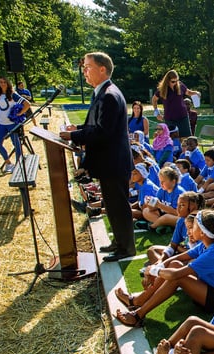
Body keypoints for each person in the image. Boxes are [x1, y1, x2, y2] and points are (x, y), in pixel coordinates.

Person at [60, 52, 135, 262]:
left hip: (113, 161)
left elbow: (104, 132)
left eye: (88, 67)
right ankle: (119, 242)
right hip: (108, 162)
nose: (84, 71)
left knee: (118, 206)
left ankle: (126, 248)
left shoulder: (109, 95)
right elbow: (96, 125)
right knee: (111, 205)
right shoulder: (101, 93)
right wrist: (79, 129)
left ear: (102, 69)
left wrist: (74, 135)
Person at [115, 210, 214, 327]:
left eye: (194, 225)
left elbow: (175, 275)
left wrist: (152, 271)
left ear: (202, 232)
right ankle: (138, 301)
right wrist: (158, 266)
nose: (189, 228)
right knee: (174, 264)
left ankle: (138, 315)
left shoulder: (213, 252)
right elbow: (179, 258)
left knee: (177, 278)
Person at [146, 191, 205, 264]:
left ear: (193, 206)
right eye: (178, 205)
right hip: (184, 254)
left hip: (197, 258)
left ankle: (162, 269)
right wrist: (161, 260)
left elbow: (199, 252)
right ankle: (161, 267)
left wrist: (179, 249)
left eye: (182, 205)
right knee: (152, 250)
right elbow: (173, 244)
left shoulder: (202, 223)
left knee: (189, 262)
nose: (178, 209)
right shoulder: (181, 221)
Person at [151, 70, 200, 138]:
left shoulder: (180, 85)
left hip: (183, 116)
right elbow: (154, 100)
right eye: (173, 81)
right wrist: (156, 112)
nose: (175, 83)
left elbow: (188, 92)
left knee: (186, 138)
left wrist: (196, 93)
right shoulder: (161, 89)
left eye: (177, 80)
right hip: (170, 118)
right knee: (171, 139)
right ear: (167, 80)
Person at [0, 76, 31, 173]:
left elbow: (27, 104)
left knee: (16, 144)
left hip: (12, 124)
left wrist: (20, 113)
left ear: (8, 83)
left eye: (4, 82)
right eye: (0, 82)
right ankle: (8, 163)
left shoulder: (13, 94)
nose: (3, 84)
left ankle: (19, 165)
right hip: (1, 124)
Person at [140, 165, 186, 233]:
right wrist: (150, 203)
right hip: (164, 215)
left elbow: (178, 213)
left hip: (178, 217)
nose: (161, 184)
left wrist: (159, 205)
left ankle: (151, 226)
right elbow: (154, 209)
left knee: (167, 217)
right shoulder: (161, 190)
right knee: (145, 210)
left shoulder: (179, 192)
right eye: (160, 181)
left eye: (163, 181)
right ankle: (164, 226)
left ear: (173, 181)